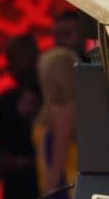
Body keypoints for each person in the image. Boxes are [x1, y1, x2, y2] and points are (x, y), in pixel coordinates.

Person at [33, 11, 86, 199]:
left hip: (63, 190)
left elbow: (58, 160)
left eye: (67, 34)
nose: (60, 42)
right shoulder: (59, 106)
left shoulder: (62, 108)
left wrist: (47, 191)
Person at [0, 35, 41, 199]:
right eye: (11, 58)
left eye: (19, 57)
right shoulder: (5, 102)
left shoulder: (52, 97)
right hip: (16, 187)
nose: (12, 65)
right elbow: (1, 153)